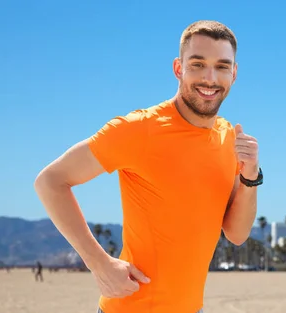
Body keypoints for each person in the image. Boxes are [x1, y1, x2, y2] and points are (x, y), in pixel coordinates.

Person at [33, 20, 262, 313]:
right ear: (178, 69)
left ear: (234, 73)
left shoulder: (229, 137)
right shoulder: (139, 128)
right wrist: (99, 263)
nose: (210, 78)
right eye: (197, 64)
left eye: (221, 66)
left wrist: (250, 175)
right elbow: (50, 181)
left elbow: (237, 233)